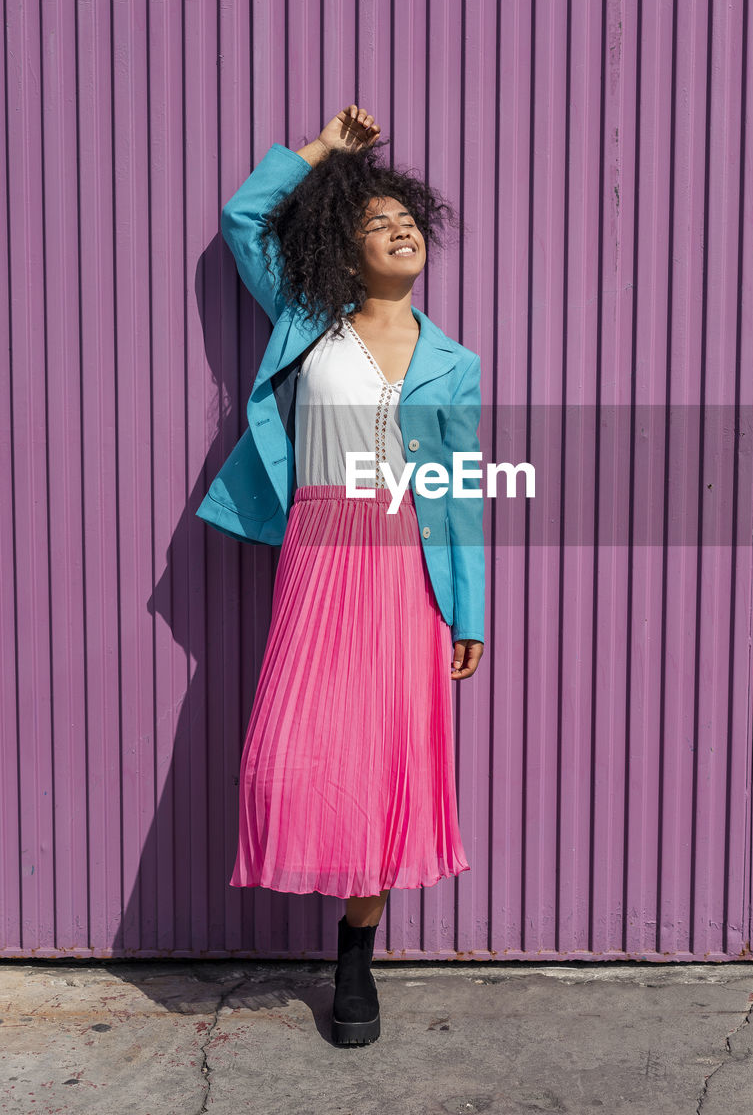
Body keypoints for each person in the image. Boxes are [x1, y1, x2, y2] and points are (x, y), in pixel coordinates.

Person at [197, 105, 486, 1046]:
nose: (399, 228)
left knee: (391, 761)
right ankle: (332, 916)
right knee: (294, 754)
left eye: (407, 219)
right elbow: (245, 221)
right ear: (345, 247)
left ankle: (354, 958)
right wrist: (324, 155)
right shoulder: (304, 317)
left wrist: (467, 610)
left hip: (407, 566)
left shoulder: (454, 363)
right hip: (321, 553)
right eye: (376, 221)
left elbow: (456, 488)